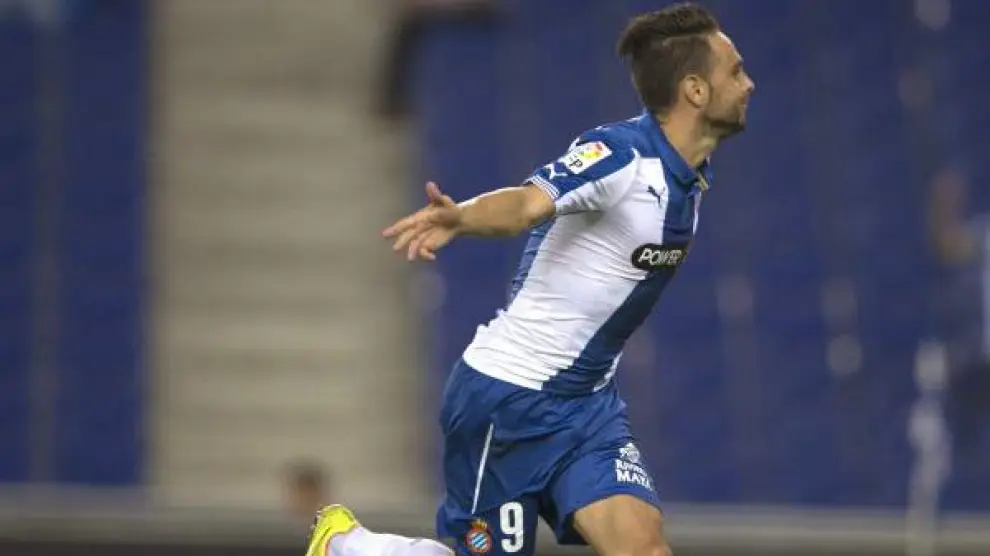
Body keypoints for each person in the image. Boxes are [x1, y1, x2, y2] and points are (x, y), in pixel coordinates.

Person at [305, 3, 754, 555]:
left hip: (587, 407)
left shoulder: (688, 177)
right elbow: (526, 204)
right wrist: (462, 217)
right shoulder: (621, 156)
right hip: (509, 401)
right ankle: (346, 545)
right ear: (695, 90)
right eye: (735, 71)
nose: (748, 83)